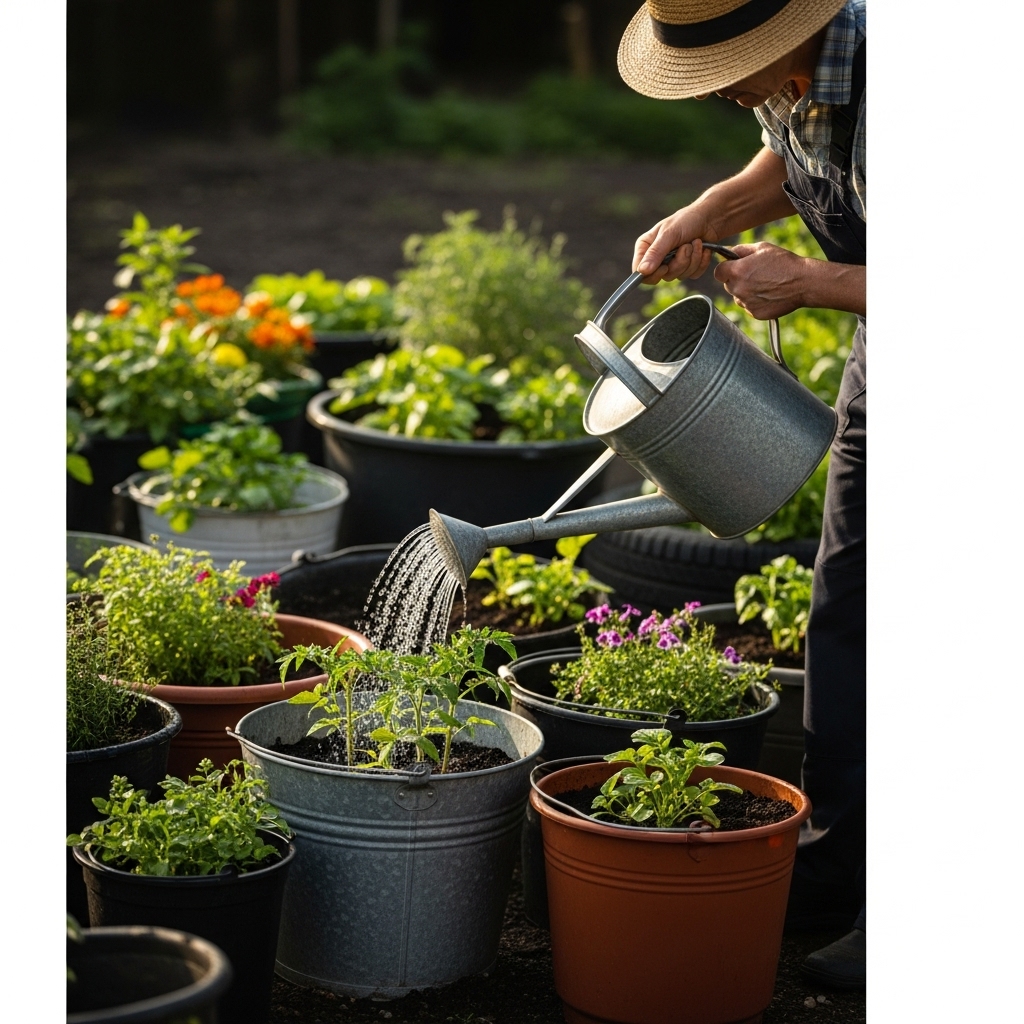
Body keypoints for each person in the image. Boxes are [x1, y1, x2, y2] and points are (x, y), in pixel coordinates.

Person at [618, 0, 866, 989]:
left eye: (728, 67)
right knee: (848, 608)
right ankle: (838, 868)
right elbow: (792, 156)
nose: (721, 89)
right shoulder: (800, 72)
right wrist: (706, 215)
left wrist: (813, 280)